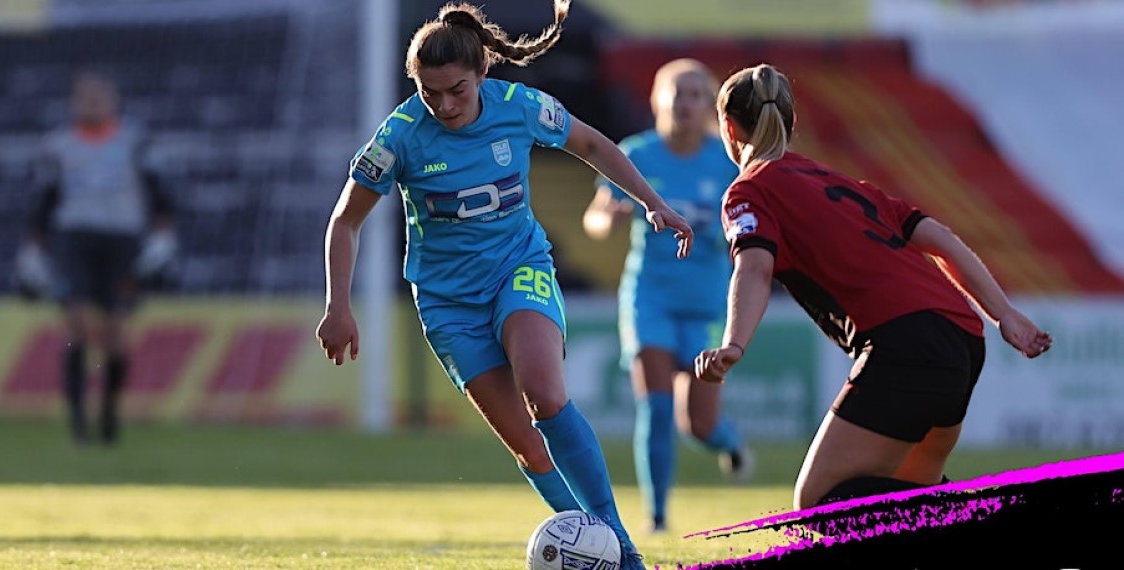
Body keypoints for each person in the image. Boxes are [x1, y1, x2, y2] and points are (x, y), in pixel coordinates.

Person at [314, 2, 693, 568]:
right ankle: (597, 550)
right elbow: (346, 221)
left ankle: (620, 548)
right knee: (527, 445)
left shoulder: (520, 107)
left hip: (519, 268)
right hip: (447, 304)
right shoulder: (400, 136)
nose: (444, 105)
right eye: (429, 93)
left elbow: (591, 144)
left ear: (482, 73)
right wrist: (338, 305)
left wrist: (651, 202)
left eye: (457, 91)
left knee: (544, 393)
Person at [694, 63, 1053, 511]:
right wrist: (1004, 314)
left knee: (820, 500)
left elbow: (754, 269)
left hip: (907, 343)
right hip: (962, 334)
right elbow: (941, 238)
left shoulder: (749, 191)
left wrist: (734, 344)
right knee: (915, 498)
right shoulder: (841, 182)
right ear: (791, 120)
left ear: (728, 128)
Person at [582, 58, 752, 534]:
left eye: (696, 94)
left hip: (707, 303)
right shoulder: (636, 153)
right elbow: (595, 217)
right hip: (649, 297)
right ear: (657, 99)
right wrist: (607, 218)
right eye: (676, 92)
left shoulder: (728, 163)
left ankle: (729, 442)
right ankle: (656, 518)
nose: (685, 102)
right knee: (655, 406)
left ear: (710, 105)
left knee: (698, 426)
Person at [18, 70, 178, 446]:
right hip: (73, 239)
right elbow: (43, 200)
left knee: (116, 331)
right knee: (76, 324)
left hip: (121, 240)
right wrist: (33, 248)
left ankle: (109, 410)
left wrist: (164, 236)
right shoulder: (57, 146)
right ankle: (78, 420)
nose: (92, 104)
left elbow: (161, 192)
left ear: (113, 101)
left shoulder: (135, 142)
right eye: (85, 97)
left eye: (99, 97)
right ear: (74, 102)